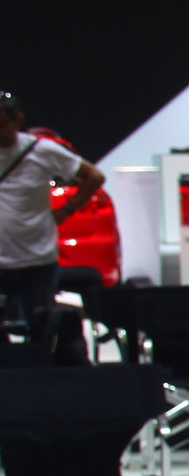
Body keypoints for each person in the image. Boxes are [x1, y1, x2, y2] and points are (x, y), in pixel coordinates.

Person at [0, 93, 98, 365]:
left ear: (18, 120)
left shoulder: (41, 151)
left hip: (37, 260)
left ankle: (41, 387)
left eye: (2, 125)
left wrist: (67, 210)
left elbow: (93, 177)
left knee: (41, 331)